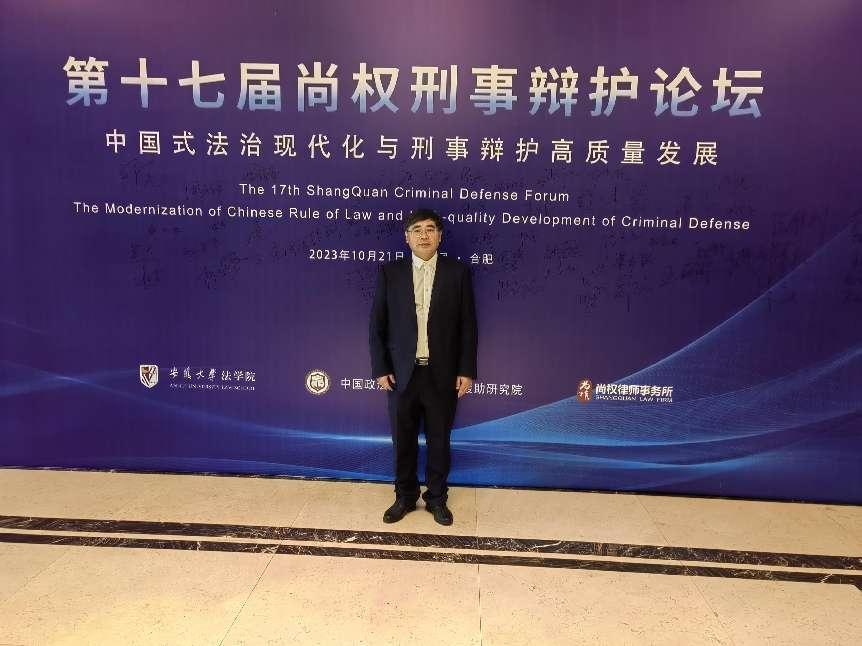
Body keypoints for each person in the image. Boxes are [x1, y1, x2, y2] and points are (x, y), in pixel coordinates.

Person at [369, 207, 478, 525]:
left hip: (441, 374)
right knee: (402, 440)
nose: (424, 235)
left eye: (430, 229)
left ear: (440, 236)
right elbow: (377, 325)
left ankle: (437, 499)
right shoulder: (390, 272)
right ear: (407, 238)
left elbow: (468, 325)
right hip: (401, 374)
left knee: (439, 440)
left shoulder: (457, 273)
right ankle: (404, 496)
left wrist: (466, 369)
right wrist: (380, 368)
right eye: (417, 230)